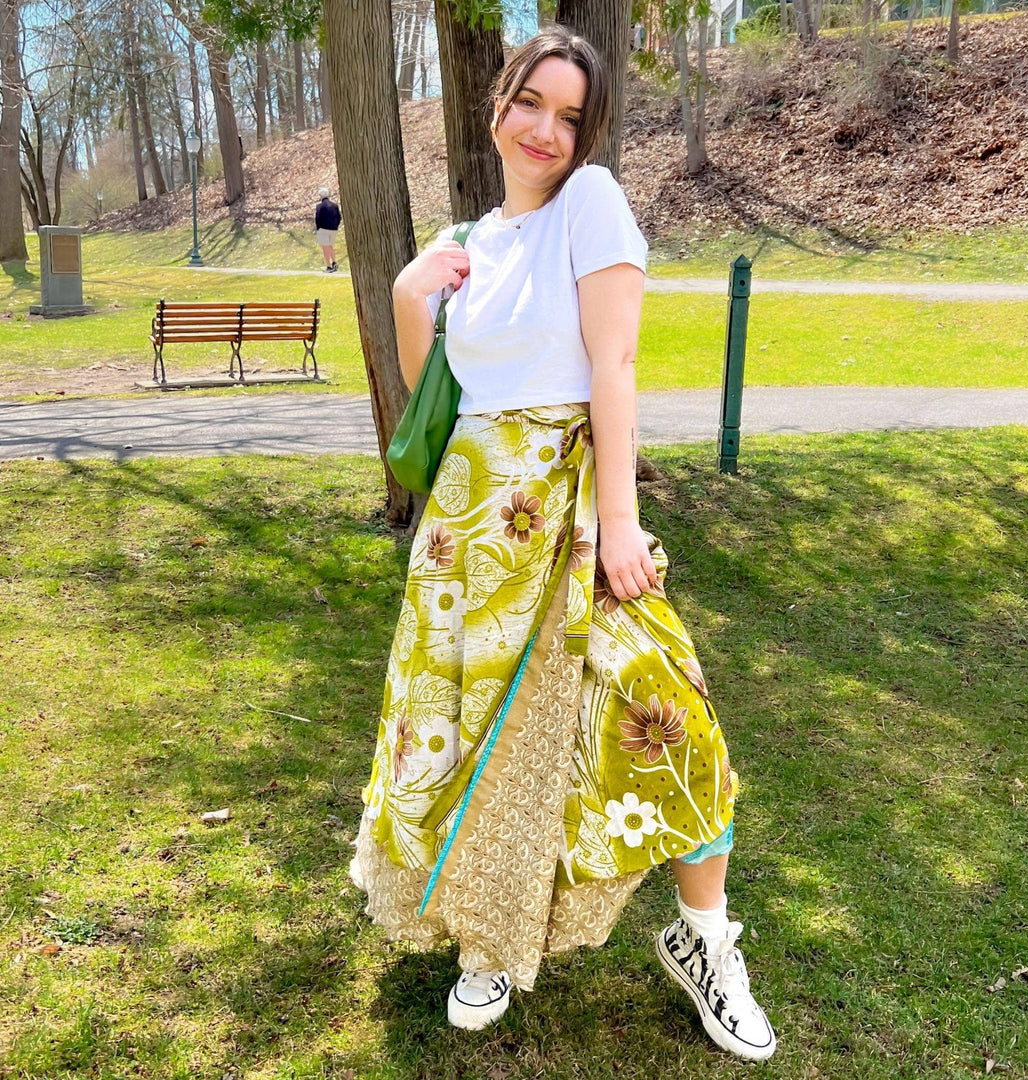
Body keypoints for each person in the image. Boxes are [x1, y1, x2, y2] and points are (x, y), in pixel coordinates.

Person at [348, 25, 776, 1062]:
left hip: (570, 508)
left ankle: (707, 940)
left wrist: (621, 523)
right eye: (531, 102)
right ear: (498, 106)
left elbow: (614, 362)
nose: (546, 129)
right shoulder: (471, 240)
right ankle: (486, 942)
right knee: (465, 737)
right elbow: (440, 410)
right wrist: (413, 296)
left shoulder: (591, 205)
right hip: (466, 526)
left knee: (671, 711)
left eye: (570, 115)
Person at [315, 186, 341, 272]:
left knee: (325, 248)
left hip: (323, 229)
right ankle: (334, 262)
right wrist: (336, 226)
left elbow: (318, 218)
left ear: (320, 196)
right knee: (330, 246)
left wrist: (318, 228)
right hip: (333, 229)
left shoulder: (320, 207)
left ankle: (329, 266)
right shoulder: (335, 206)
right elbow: (339, 217)